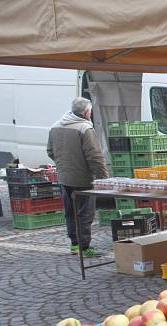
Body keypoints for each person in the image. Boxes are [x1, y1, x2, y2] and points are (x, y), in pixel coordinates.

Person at [47, 98, 109, 257]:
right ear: (87, 112)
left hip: (64, 177)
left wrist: (63, 165)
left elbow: (50, 151)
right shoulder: (85, 128)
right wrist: (104, 178)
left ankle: (74, 243)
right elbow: (94, 156)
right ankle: (84, 247)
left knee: (70, 211)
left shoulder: (55, 126)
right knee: (85, 212)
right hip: (82, 178)